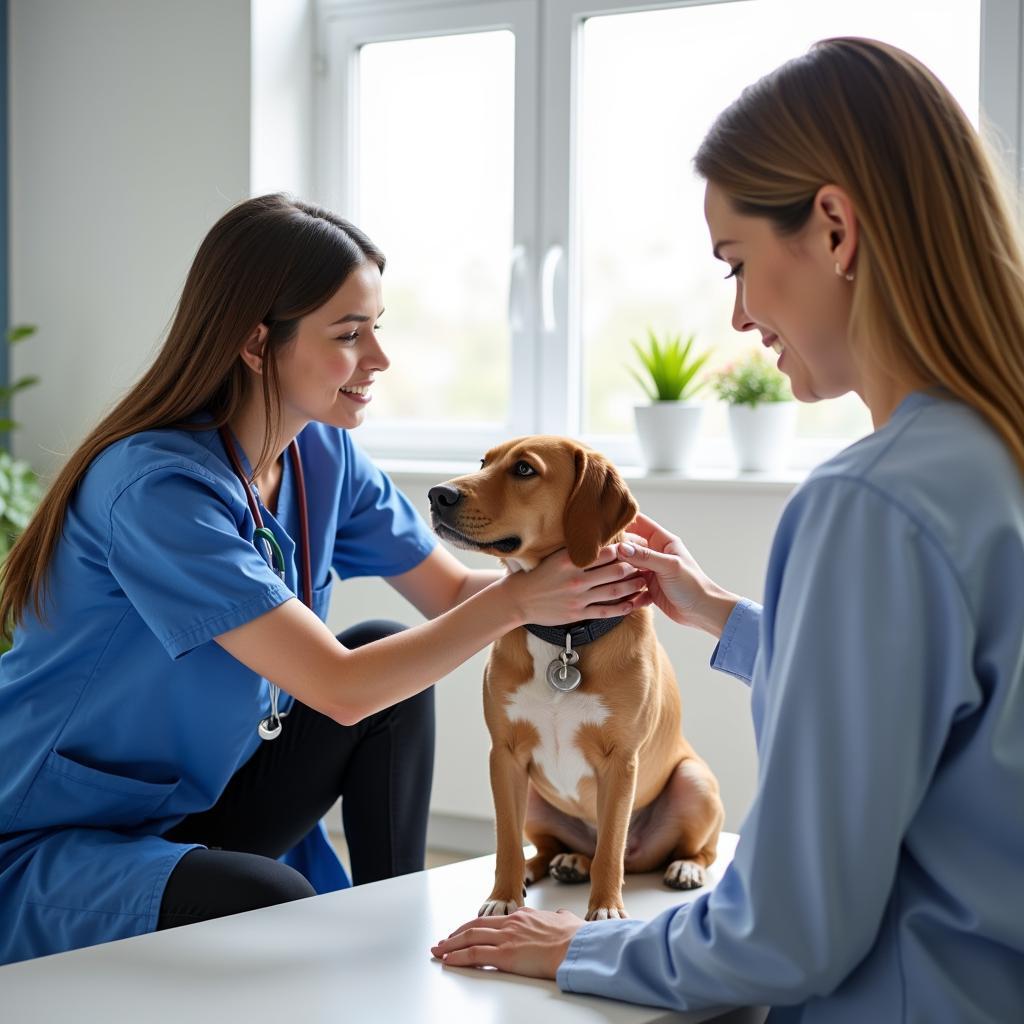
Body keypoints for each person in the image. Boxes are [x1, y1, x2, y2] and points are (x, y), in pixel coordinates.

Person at [431, 37, 1024, 1021]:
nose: (742, 315)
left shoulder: (866, 503)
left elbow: (789, 933)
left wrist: (583, 943)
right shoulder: (990, 461)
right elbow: (955, 713)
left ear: (833, 227)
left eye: (735, 265)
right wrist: (717, 613)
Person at [0, 194, 644, 965]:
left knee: (387, 653)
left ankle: (418, 942)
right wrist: (518, 597)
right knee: (278, 906)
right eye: (348, 335)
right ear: (254, 342)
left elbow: (451, 598)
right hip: (58, 833)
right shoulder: (154, 488)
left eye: (378, 328)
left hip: (197, 805)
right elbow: (339, 688)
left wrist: (590, 578)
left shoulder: (319, 455)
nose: (378, 358)